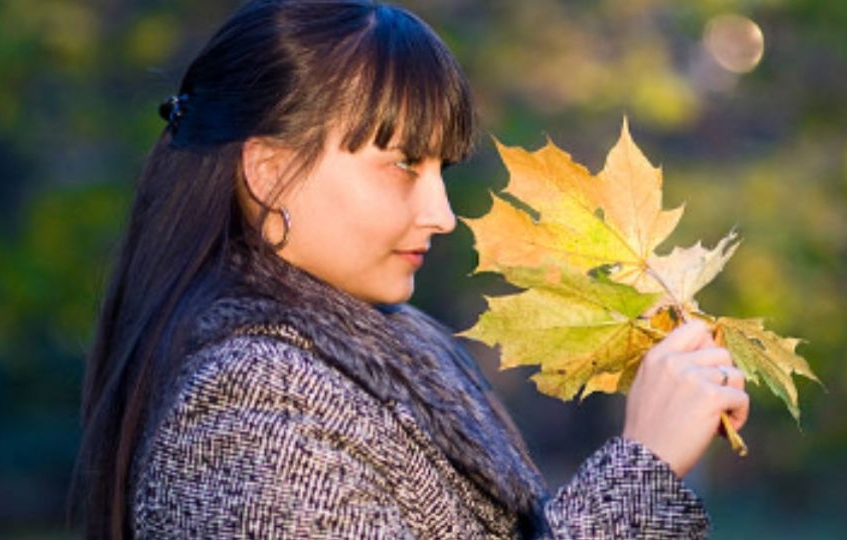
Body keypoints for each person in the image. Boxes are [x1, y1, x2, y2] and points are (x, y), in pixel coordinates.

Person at [70, 0, 750, 538]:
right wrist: (645, 469)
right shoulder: (243, 414)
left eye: (441, 169)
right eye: (402, 165)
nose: (442, 214)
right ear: (269, 173)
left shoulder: (400, 354)